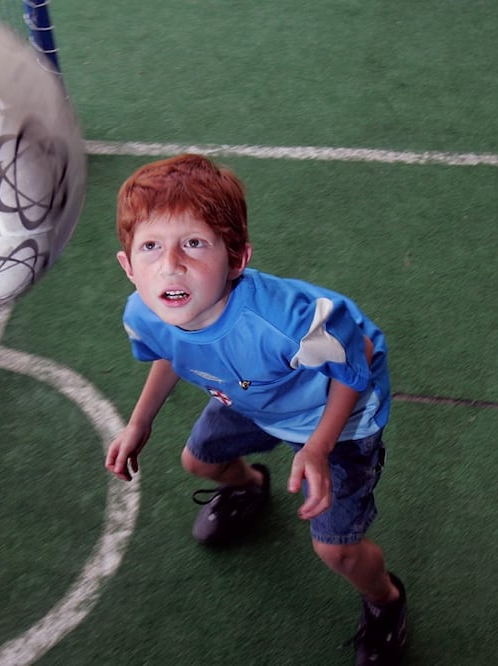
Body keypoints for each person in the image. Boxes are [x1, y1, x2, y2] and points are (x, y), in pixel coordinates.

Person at [104, 153, 407, 664]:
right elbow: (170, 352)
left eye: (193, 243)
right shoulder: (145, 313)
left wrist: (318, 446)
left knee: (336, 548)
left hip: (334, 418)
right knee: (199, 461)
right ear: (128, 266)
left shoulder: (283, 322)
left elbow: (358, 357)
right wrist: (140, 421)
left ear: (237, 259)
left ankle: (387, 601)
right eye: (151, 246)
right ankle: (250, 487)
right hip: (252, 398)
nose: (170, 264)